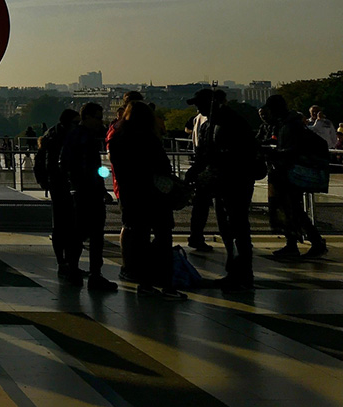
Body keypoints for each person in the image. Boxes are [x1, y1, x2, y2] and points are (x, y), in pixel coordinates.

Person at [185, 91, 263, 291]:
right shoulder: (213, 123)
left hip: (235, 181)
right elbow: (203, 153)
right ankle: (236, 270)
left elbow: (244, 152)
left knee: (236, 227)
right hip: (222, 181)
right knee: (227, 227)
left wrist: (214, 161)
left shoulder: (231, 122)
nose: (199, 109)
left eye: (201, 104)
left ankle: (242, 272)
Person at [108, 101, 185, 299]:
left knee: (140, 240)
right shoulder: (150, 139)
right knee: (163, 239)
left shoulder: (118, 139)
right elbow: (163, 168)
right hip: (155, 196)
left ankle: (144, 283)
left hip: (132, 196)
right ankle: (166, 285)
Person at [261, 95, 328, 260]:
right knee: (293, 210)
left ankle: (299, 243)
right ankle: (307, 242)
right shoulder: (289, 123)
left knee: (291, 210)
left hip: (289, 173)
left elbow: (291, 150)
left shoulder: (289, 125)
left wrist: (271, 152)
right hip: (288, 172)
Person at [60, 103, 117, 292]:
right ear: (89, 117)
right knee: (96, 235)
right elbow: (90, 168)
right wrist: (99, 188)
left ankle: (73, 270)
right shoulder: (87, 138)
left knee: (78, 233)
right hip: (89, 191)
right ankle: (95, 275)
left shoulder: (75, 136)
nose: (101, 122)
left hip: (80, 190)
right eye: (99, 118)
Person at [35, 108, 79, 276]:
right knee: (68, 225)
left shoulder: (52, 136)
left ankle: (64, 263)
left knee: (61, 225)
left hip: (56, 183)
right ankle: (67, 262)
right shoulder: (64, 138)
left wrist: (43, 181)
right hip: (61, 183)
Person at [184, 91, 218, 252]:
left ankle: (196, 236)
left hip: (212, 171)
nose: (197, 108)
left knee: (201, 206)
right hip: (214, 171)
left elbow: (204, 151)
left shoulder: (207, 123)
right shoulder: (214, 123)